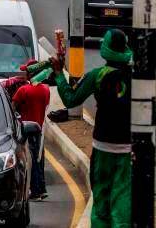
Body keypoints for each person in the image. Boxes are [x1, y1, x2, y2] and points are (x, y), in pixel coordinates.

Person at [51, 29, 132, 227]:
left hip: (102, 148)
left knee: (101, 204)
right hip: (128, 151)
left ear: (105, 49)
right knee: (122, 201)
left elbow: (71, 99)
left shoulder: (97, 76)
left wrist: (59, 74)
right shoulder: (139, 78)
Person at [12, 64, 51, 200]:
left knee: (30, 161)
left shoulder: (23, 90)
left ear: (30, 74)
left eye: (26, 72)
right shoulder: (46, 90)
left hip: (26, 130)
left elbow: (13, 107)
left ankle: (35, 191)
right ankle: (42, 189)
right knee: (39, 159)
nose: (24, 74)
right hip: (39, 129)